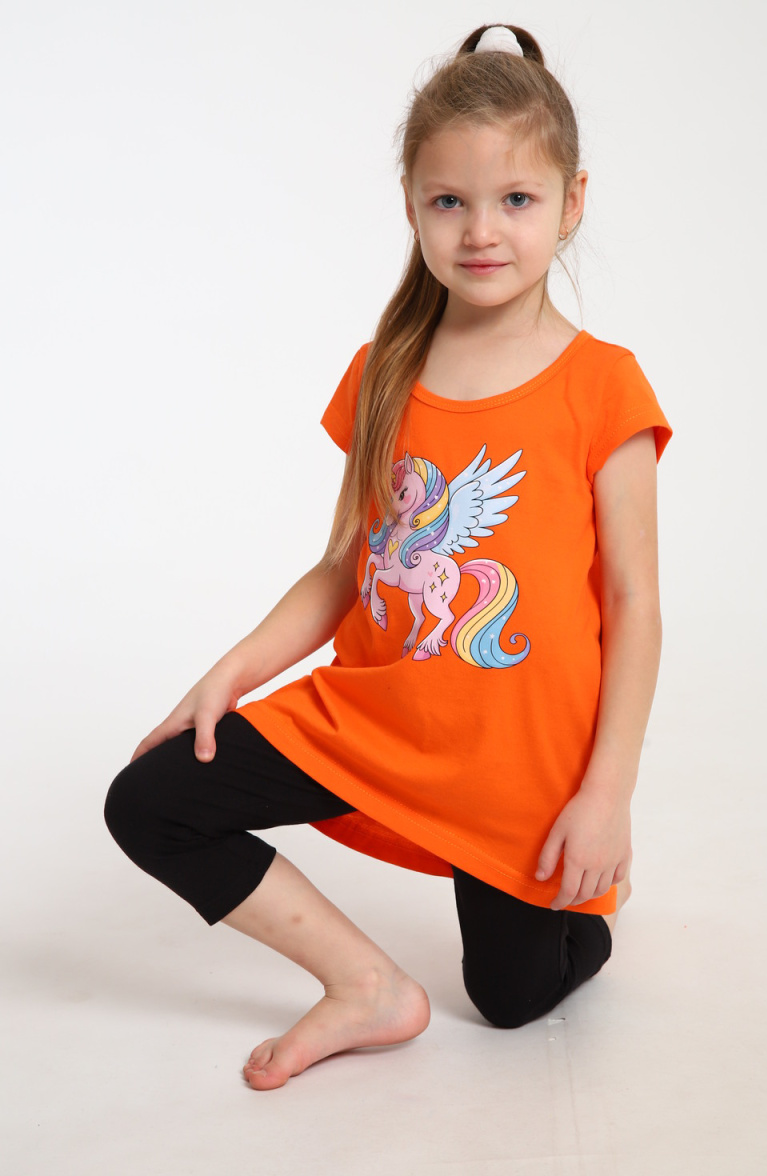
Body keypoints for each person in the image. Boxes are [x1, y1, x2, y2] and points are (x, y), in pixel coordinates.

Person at [105, 22, 672, 1091]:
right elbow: (341, 567)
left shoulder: (603, 385)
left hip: (516, 761)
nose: (481, 231)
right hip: (378, 723)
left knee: (511, 999)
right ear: (411, 205)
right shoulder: (385, 371)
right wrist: (228, 675)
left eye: (516, 198)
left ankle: (580, 916)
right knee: (148, 800)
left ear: (572, 204)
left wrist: (606, 795)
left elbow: (635, 603)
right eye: (448, 201)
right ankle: (365, 985)